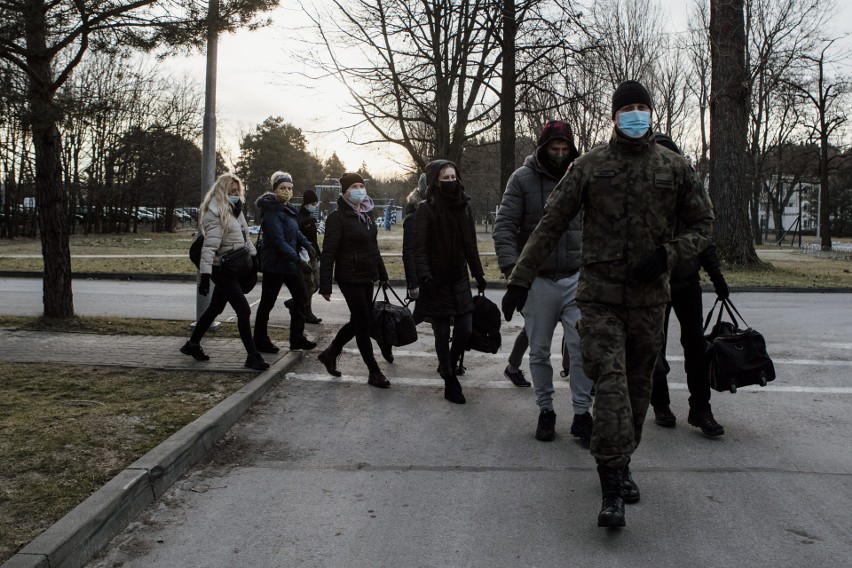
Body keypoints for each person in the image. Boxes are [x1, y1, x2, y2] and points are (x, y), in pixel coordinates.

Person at [501, 80, 714, 528]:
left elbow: (704, 225)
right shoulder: (589, 166)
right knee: (612, 385)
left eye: (642, 107)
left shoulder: (675, 167)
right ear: (614, 115)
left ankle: (623, 461)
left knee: (637, 394)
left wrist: (667, 254)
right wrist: (520, 280)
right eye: (627, 108)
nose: (636, 114)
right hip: (598, 298)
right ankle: (610, 487)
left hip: (649, 301)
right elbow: (550, 223)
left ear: (651, 113)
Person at [492, 120, 595, 445]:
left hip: (577, 279)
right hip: (537, 280)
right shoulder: (522, 180)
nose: (560, 155)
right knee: (538, 351)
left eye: (566, 150)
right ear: (543, 148)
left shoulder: (581, 178)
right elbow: (505, 226)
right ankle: (546, 411)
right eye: (555, 149)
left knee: (581, 348)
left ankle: (582, 414)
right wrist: (513, 272)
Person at [650, 133, 729, 437]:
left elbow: (703, 240)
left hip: (687, 284)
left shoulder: (688, 193)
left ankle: (701, 409)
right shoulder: (648, 197)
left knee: (695, 348)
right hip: (655, 286)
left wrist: (717, 278)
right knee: (653, 348)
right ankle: (660, 404)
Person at [415, 159, 487, 404]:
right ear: (435, 180)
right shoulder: (427, 208)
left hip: (459, 278)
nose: (450, 182)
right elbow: (420, 248)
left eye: (452, 177)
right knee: (442, 330)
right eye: (445, 178)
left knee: (465, 328)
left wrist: (479, 274)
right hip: (437, 280)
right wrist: (424, 276)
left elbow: (471, 245)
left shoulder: (464, 206)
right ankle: (448, 377)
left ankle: (452, 364)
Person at [180, 173, 269, 371]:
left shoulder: (236, 210)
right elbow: (209, 248)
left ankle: (192, 345)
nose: (236, 194)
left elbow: (245, 238)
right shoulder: (215, 213)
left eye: (238, 191)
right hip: (221, 269)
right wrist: (204, 276)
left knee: (214, 308)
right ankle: (252, 356)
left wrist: (254, 258)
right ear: (222, 192)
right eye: (232, 191)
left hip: (235, 266)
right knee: (243, 310)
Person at [316, 173, 391, 389]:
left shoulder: (366, 215)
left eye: (362, 185)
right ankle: (373, 371)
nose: (360, 189)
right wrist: (325, 284)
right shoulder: (337, 218)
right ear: (345, 191)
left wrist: (383, 274)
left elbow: (373, 248)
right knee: (363, 324)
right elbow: (328, 253)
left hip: (367, 276)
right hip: (349, 277)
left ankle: (330, 353)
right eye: (355, 186)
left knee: (360, 321)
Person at [252, 172, 318, 354]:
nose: (287, 191)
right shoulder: (271, 211)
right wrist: (298, 260)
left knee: (301, 297)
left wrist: (306, 243)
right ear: (275, 190)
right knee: (267, 302)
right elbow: (278, 240)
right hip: (275, 264)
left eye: (289, 188)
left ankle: (297, 338)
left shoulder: (288, 209)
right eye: (283, 188)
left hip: (289, 263)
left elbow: (295, 232)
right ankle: (260, 340)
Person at [402, 173, 427, 324]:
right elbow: (408, 253)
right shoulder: (413, 219)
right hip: (423, 277)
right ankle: (393, 337)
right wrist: (413, 283)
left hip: (436, 275)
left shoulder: (437, 213)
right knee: (419, 315)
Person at [296, 188, 323, 324]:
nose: (314, 206)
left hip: (313, 254)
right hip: (304, 255)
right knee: (309, 284)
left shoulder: (311, 218)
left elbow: (314, 239)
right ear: (306, 203)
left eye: (315, 204)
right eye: (313, 204)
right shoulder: (299, 218)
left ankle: (294, 302)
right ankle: (306, 312)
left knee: (317, 283)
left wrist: (319, 254)